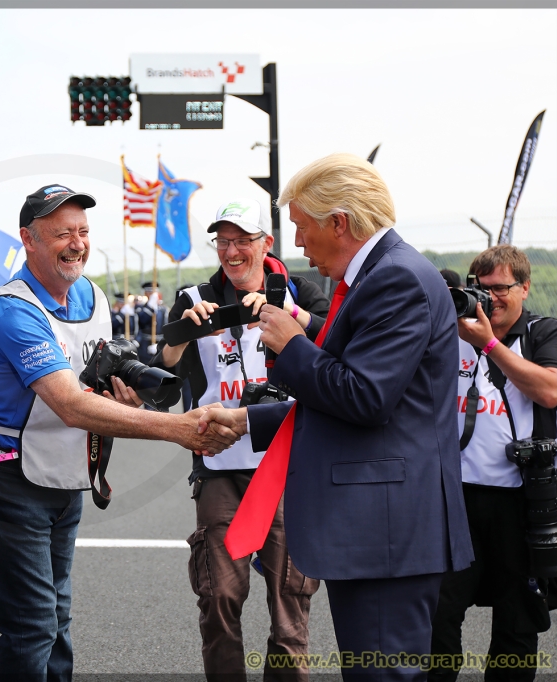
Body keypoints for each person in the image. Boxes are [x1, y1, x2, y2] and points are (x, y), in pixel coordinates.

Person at [201, 154, 473, 682]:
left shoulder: (395, 279)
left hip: (385, 532)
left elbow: (365, 398)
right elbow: (360, 400)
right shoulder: (383, 274)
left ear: (339, 223)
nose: (298, 244)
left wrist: (294, 345)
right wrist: (246, 420)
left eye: (302, 227)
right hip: (382, 528)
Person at [0, 183, 237, 680]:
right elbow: (70, 403)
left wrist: (120, 394)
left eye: (84, 232)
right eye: (62, 233)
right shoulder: (11, 309)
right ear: (28, 239)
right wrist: (178, 429)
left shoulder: (89, 293)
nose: (77, 243)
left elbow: (96, 382)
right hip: (11, 483)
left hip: (66, 478)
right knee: (32, 628)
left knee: (57, 621)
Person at [155, 197, 329, 681]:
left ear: (265, 244)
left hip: (287, 466)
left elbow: (332, 359)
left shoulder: (300, 292)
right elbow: (163, 373)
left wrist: (287, 317)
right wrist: (182, 334)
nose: (232, 252)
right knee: (219, 597)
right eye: (223, 241)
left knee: (289, 601)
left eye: (243, 241)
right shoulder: (194, 298)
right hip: (219, 465)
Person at [429, 245, 557, 682]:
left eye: (501, 288)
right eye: (480, 290)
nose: (490, 299)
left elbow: (549, 391)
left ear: (525, 287)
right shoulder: (451, 334)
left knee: (517, 620)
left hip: (520, 499)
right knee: (438, 613)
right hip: (456, 499)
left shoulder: (546, 333)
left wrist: (487, 343)